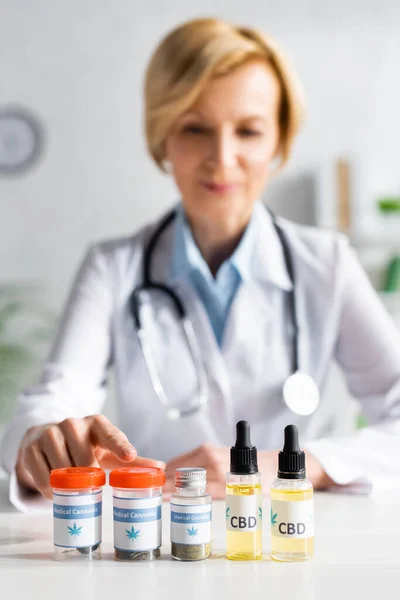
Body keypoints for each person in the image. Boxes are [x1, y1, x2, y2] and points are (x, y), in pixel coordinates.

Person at [2, 17, 400, 511]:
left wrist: (287, 464)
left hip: (278, 532)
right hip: (152, 538)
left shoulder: (327, 265)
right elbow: (56, 395)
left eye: (249, 131)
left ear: (279, 142)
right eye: (195, 128)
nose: (222, 157)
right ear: (162, 138)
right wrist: (43, 438)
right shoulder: (113, 268)